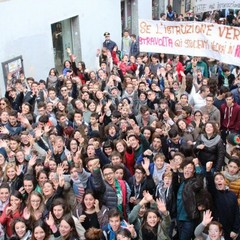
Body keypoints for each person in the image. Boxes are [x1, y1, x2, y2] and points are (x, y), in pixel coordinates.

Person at [206, 161, 240, 240]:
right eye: (216, 179)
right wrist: (208, 171)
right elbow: (210, 184)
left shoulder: (232, 195)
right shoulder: (214, 194)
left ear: (225, 181)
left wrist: (235, 230)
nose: (219, 180)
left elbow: (236, 213)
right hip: (217, 231)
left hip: (230, 231)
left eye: (221, 179)